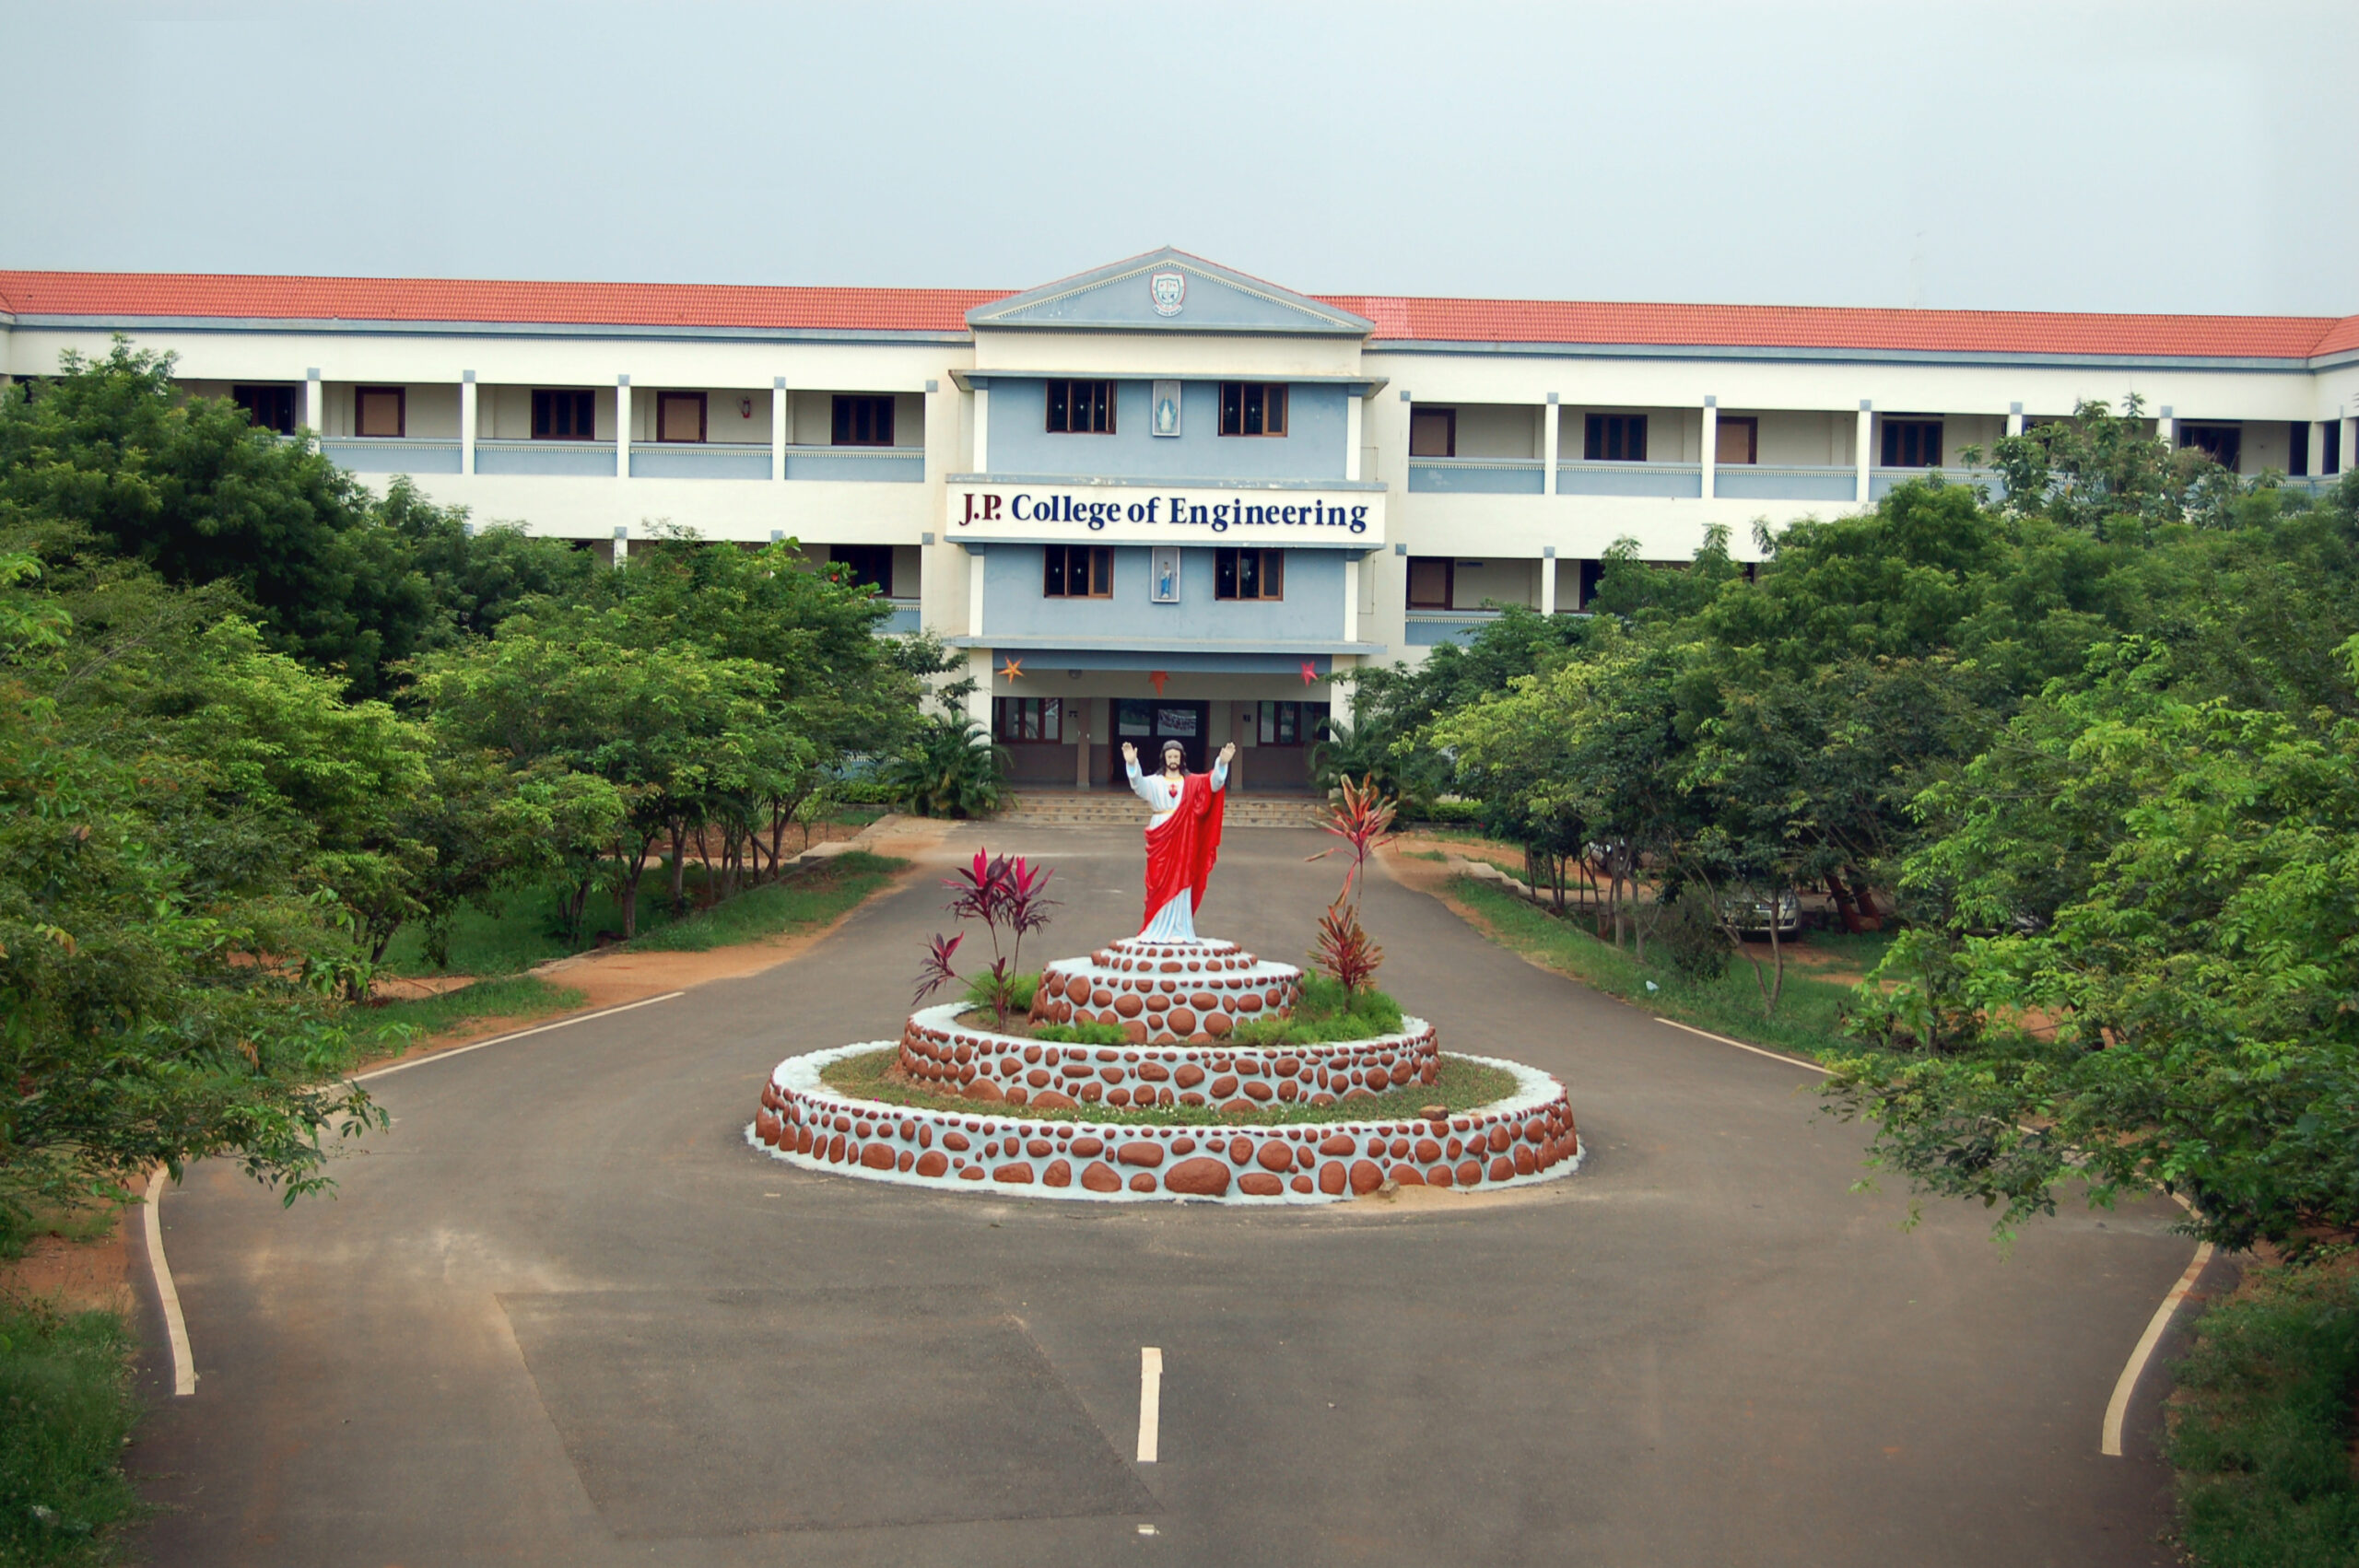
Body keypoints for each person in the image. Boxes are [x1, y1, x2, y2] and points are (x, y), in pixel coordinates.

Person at [1122, 737, 1235, 940]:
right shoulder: (1155, 782)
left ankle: (1179, 928)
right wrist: (1132, 763)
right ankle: (1155, 927)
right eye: (1169, 756)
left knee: (1182, 879)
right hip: (1161, 832)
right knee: (1158, 882)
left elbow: (1213, 784)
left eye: (1176, 756)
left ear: (1181, 758)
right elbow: (1139, 786)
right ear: (1164, 758)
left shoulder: (1191, 782)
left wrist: (1222, 763)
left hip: (1184, 835)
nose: (1173, 759)